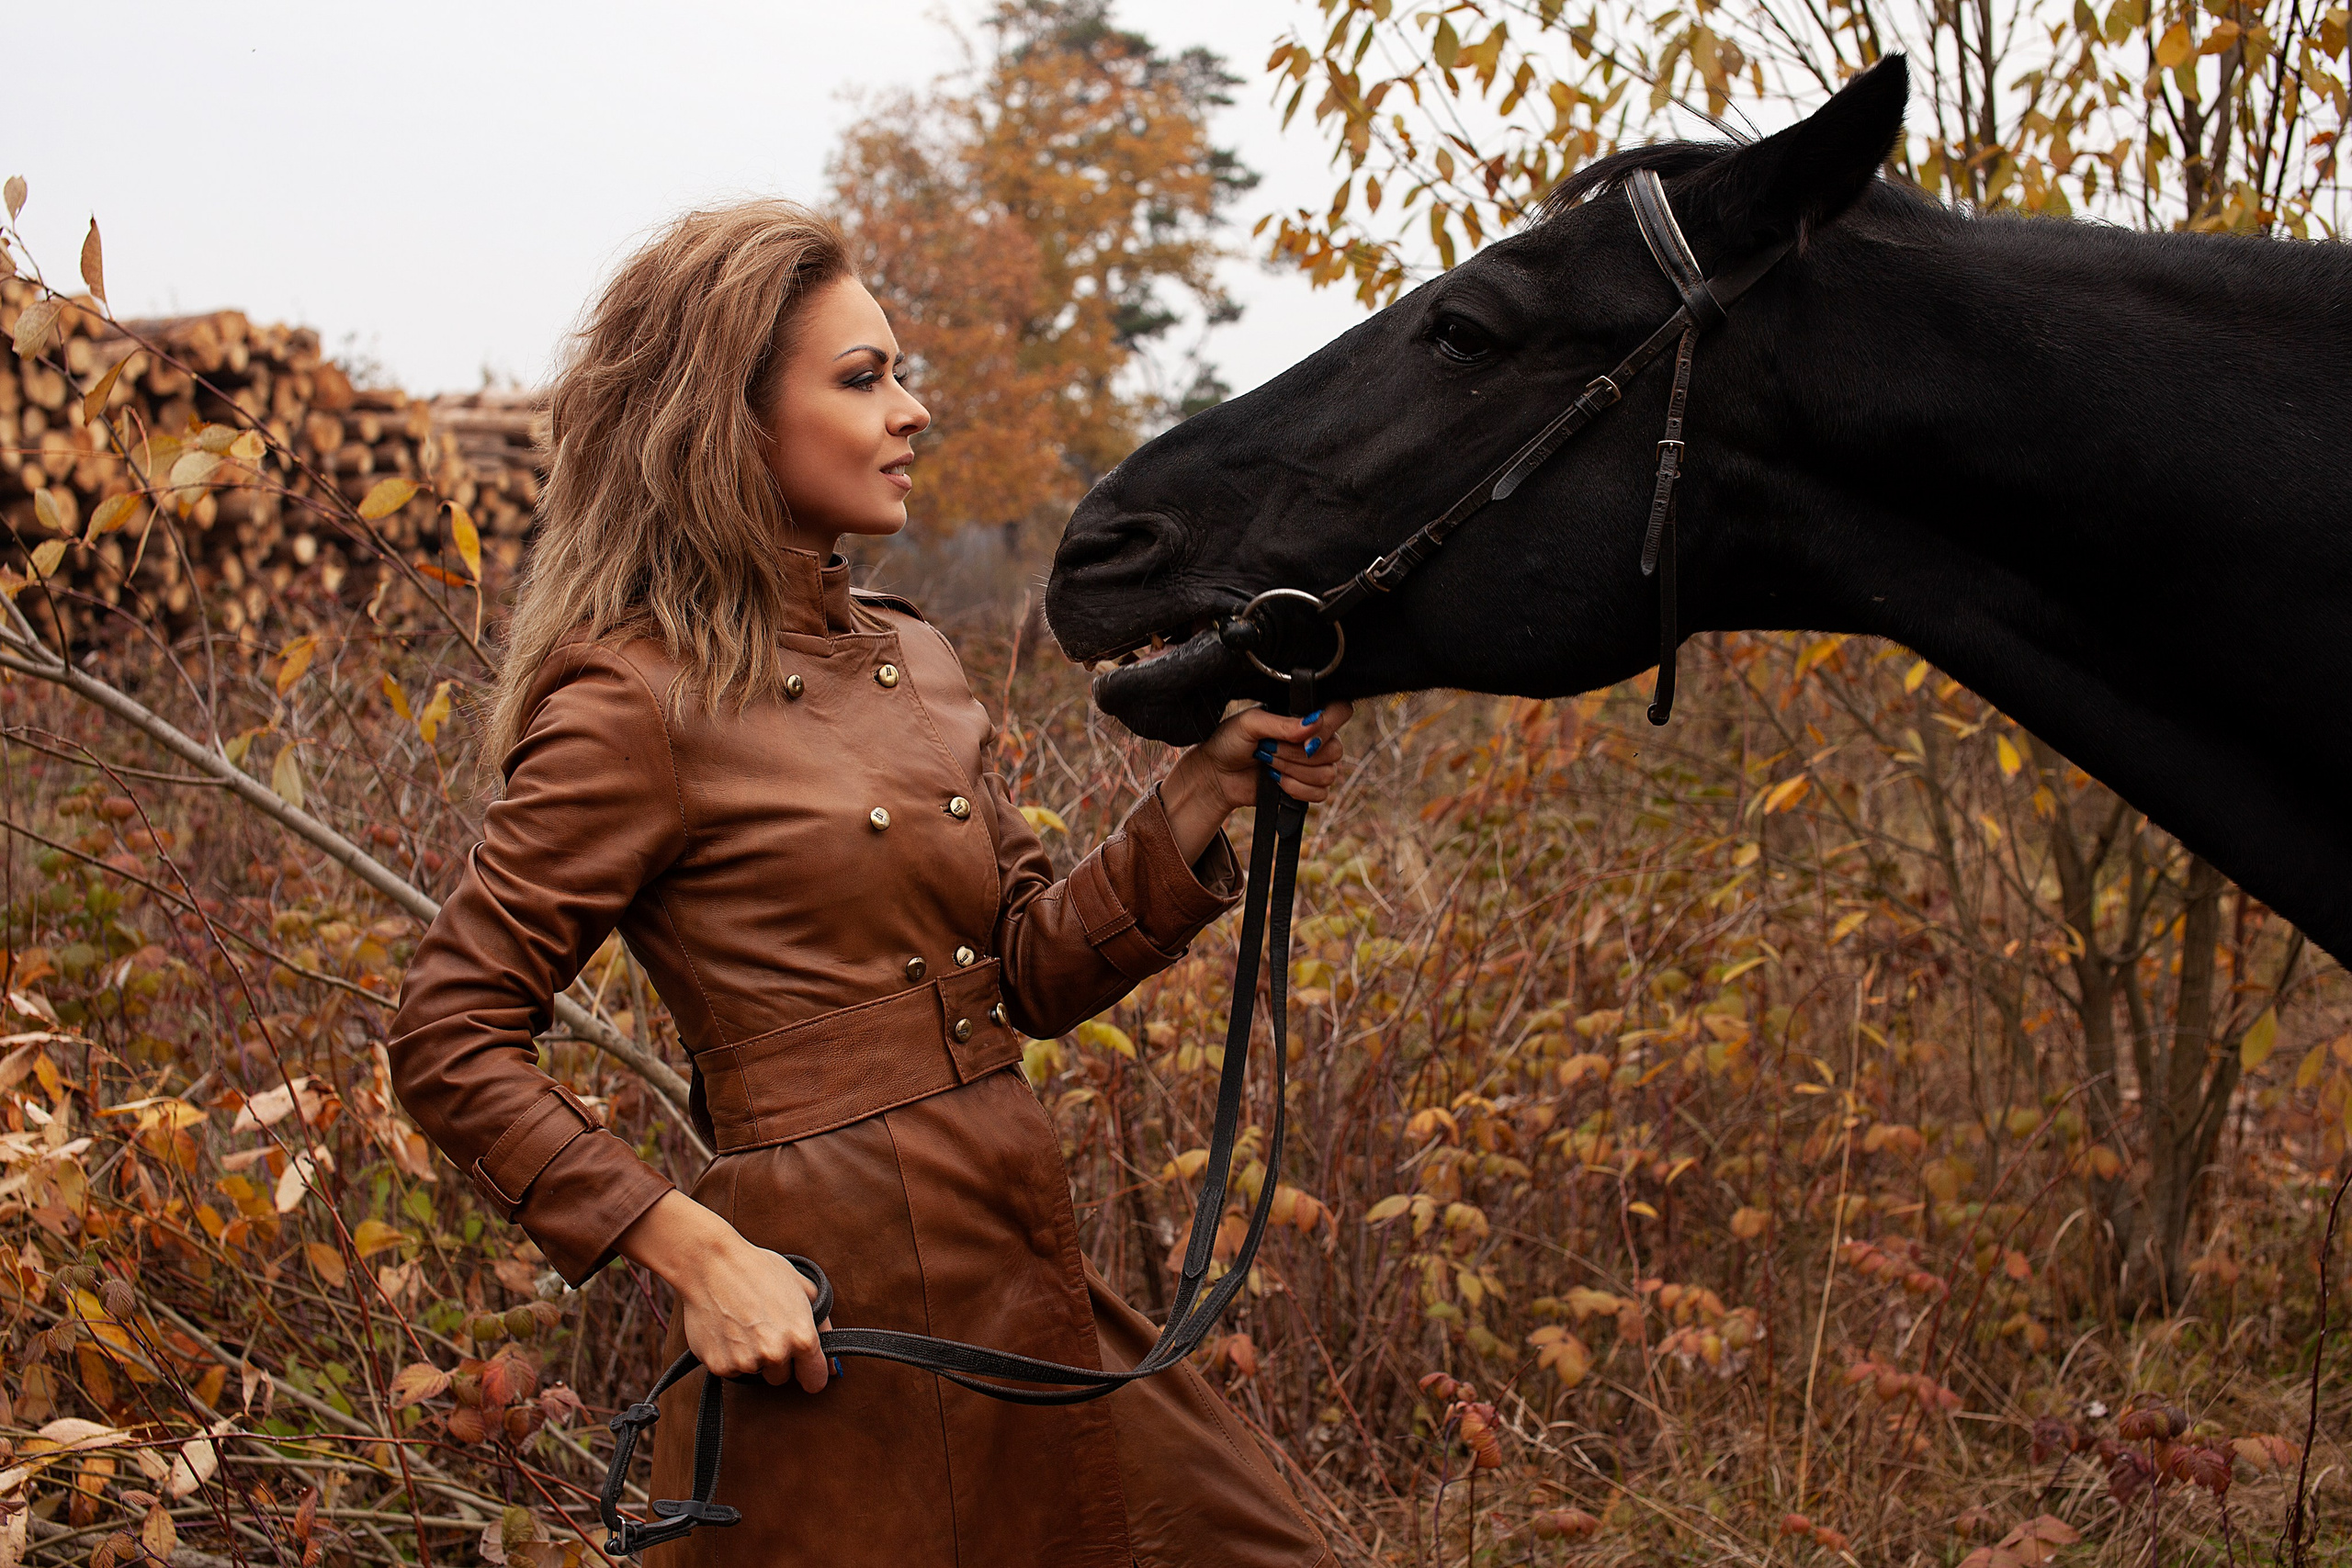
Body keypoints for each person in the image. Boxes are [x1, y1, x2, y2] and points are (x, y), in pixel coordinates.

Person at [387, 199, 1352, 1566]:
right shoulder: (632, 699)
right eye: (863, 379)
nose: (910, 410)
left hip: (1012, 1240)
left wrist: (1197, 794)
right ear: (723, 419)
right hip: (834, 1299)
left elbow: (1025, 972)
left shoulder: (917, 656)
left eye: (898, 372)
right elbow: (447, 1032)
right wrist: (695, 1251)